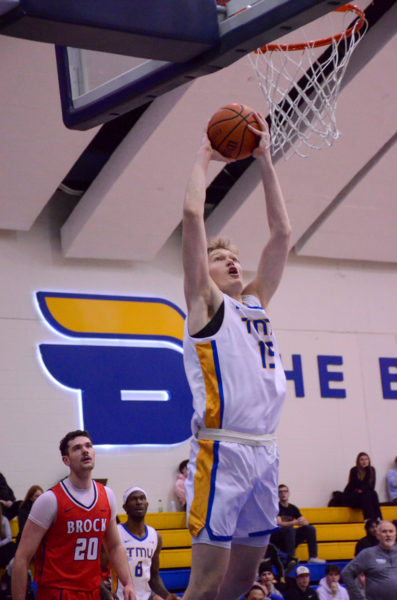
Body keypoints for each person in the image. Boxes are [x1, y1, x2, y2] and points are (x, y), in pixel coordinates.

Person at [181, 114, 291, 600]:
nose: (232, 260)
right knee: (205, 586)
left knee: (243, 583)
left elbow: (282, 233)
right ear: (203, 270)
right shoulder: (206, 304)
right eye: (220, 257)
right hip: (222, 451)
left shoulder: (255, 303)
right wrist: (204, 157)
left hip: (265, 451)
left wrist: (265, 160)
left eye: (235, 257)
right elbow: (191, 218)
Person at [11, 429, 136, 600]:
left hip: (92, 590)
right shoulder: (50, 500)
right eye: (77, 448)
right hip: (57, 591)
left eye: (88, 446)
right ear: (66, 460)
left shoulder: (107, 495)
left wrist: (128, 582)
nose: (85, 450)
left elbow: (114, 546)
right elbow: (22, 556)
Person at [114, 486, 178, 600]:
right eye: (134, 499)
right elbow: (97, 571)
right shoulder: (115, 533)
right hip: (120, 596)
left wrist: (168, 596)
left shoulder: (155, 536)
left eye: (142, 498)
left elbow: (154, 577)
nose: (139, 502)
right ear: (125, 507)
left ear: (147, 505)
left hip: (146, 596)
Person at [342, 520, 397, 600]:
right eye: (384, 532)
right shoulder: (368, 554)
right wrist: (357, 597)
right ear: (377, 535)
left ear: (395, 535)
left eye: (391, 531)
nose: (388, 534)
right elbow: (346, 573)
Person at [270, 485, 325, 565]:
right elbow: (280, 523)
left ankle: (312, 557)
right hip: (279, 538)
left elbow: (304, 521)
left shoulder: (293, 508)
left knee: (310, 528)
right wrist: (295, 523)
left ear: (288, 493)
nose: (283, 494)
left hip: (290, 537)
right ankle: (290, 558)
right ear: (277, 495)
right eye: (280, 492)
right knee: (289, 529)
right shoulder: (276, 507)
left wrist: (302, 522)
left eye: (285, 491)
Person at [343, 452, 382, 520]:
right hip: (354, 496)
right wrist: (362, 490)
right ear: (358, 461)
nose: (364, 461)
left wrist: (367, 470)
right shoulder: (354, 470)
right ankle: (368, 519)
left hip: (364, 495)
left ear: (369, 461)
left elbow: (371, 486)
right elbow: (355, 485)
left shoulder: (371, 470)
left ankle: (378, 518)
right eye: (362, 459)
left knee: (372, 493)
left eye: (366, 459)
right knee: (367, 494)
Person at [0, 503, 16, 569]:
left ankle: (10, 569)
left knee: (11, 546)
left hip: (2, 546)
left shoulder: (4, 520)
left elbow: (9, 538)